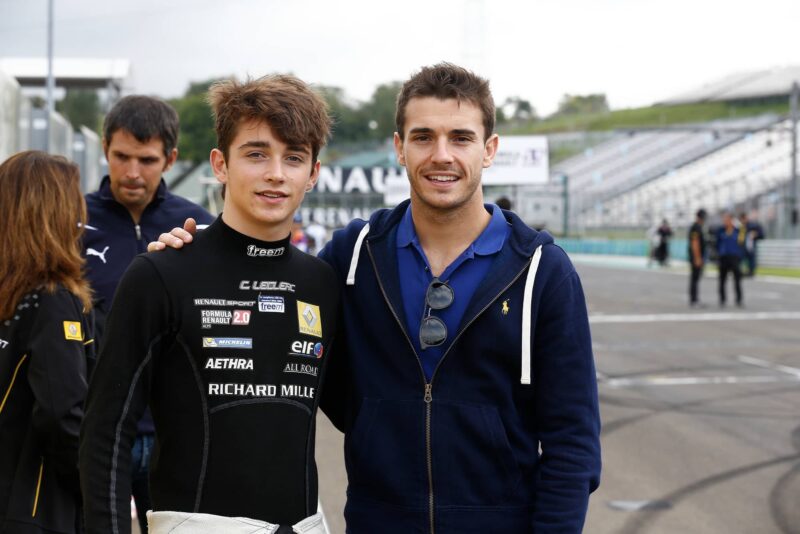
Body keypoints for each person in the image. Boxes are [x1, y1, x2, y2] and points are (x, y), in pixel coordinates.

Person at [152, 63, 601, 533]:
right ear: (399, 148)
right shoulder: (352, 255)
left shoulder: (543, 272)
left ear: (489, 150)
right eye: (423, 137)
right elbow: (271, 290)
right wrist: (189, 258)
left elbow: (573, 445)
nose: (441, 155)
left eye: (461, 138)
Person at [80, 76, 338, 534]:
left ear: (313, 173)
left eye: (294, 157)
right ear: (220, 164)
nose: (276, 173)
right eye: (256, 153)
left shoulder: (321, 282)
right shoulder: (160, 273)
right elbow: (106, 434)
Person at [82, 95, 214, 533]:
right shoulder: (71, 220)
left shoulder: (197, 225)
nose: (132, 172)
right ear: (105, 149)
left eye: (147, 159)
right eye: (121, 156)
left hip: (171, 437)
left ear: (171, 158)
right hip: (96, 435)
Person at [0, 151, 95, 534]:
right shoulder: (53, 300)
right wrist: (95, 487)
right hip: (35, 512)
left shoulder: (14, 295)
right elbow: (61, 415)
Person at [716, 211, 745, 307]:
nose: (725, 221)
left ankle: (739, 300)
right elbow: (717, 244)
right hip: (723, 257)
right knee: (722, 280)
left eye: (727, 219)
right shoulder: (720, 230)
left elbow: (742, 244)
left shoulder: (738, 230)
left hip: (734, 257)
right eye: (724, 219)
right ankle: (722, 300)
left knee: (737, 279)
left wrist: (740, 256)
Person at [688, 209, 708, 307]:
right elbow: (695, 242)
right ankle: (694, 299)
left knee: (696, 278)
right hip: (696, 257)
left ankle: (695, 299)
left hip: (697, 256)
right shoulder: (696, 227)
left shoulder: (698, 227)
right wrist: (697, 258)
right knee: (695, 278)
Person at [739, 212, 765, 277]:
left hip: (750, 246)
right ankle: (742, 271)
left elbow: (761, 235)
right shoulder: (741, 227)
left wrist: (755, 235)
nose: (743, 221)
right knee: (741, 259)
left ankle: (751, 271)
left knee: (751, 259)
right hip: (742, 247)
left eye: (743, 219)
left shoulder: (753, 226)